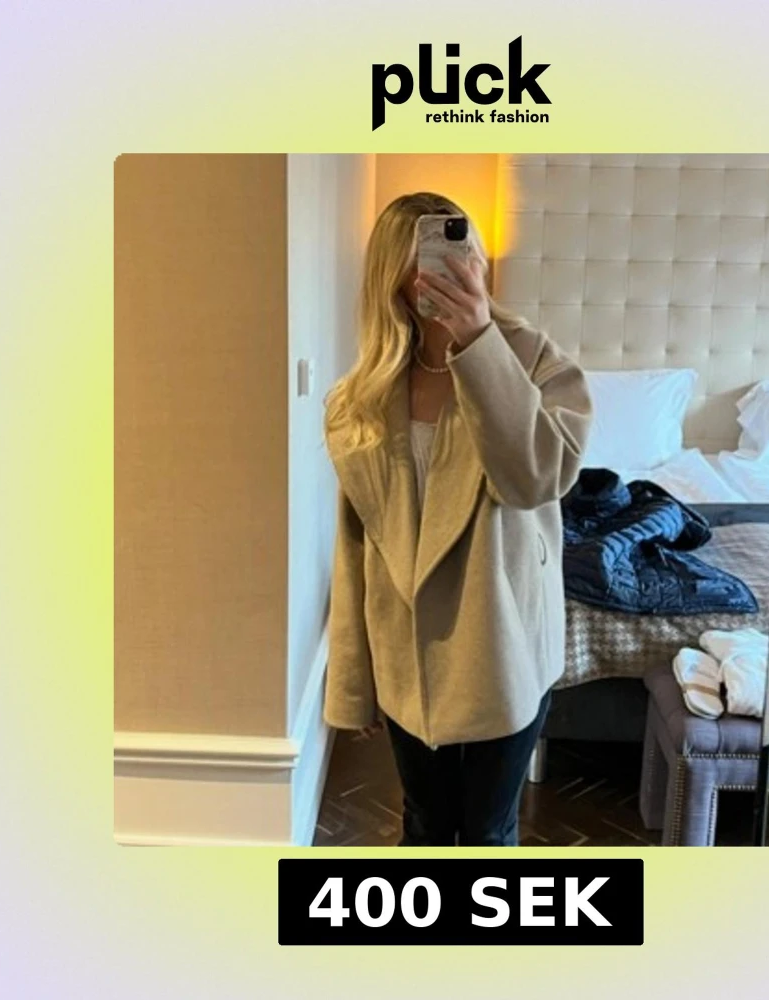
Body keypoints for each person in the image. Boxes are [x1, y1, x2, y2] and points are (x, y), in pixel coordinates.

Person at [322, 191, 593, 846]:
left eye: (453, 253)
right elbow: (357, 546)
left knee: (486, 831)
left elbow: (536, 478)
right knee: (423, 824)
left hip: (499, 647)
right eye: (419, 261)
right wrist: (355, 682)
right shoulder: (361, 398)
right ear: (391, 274)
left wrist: (477, 342)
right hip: (405, 656)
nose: (436, 274)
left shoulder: (532, 361)